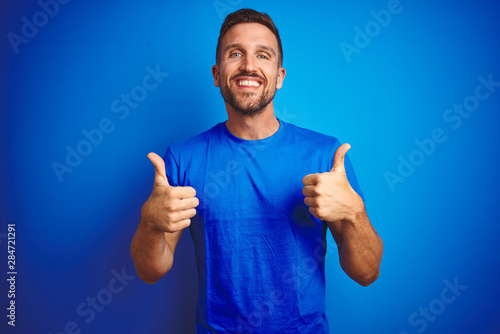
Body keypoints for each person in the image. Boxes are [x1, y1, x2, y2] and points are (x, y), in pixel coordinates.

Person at [130, 8, 383, 333]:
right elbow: (150, 270)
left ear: (279, 75)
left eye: (263, 55)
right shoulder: (182, 158)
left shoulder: (324, 155)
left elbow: (367, 273)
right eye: (235, 54)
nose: (249, 65)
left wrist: (354, 213)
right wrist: (150, 224)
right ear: (217, 73)